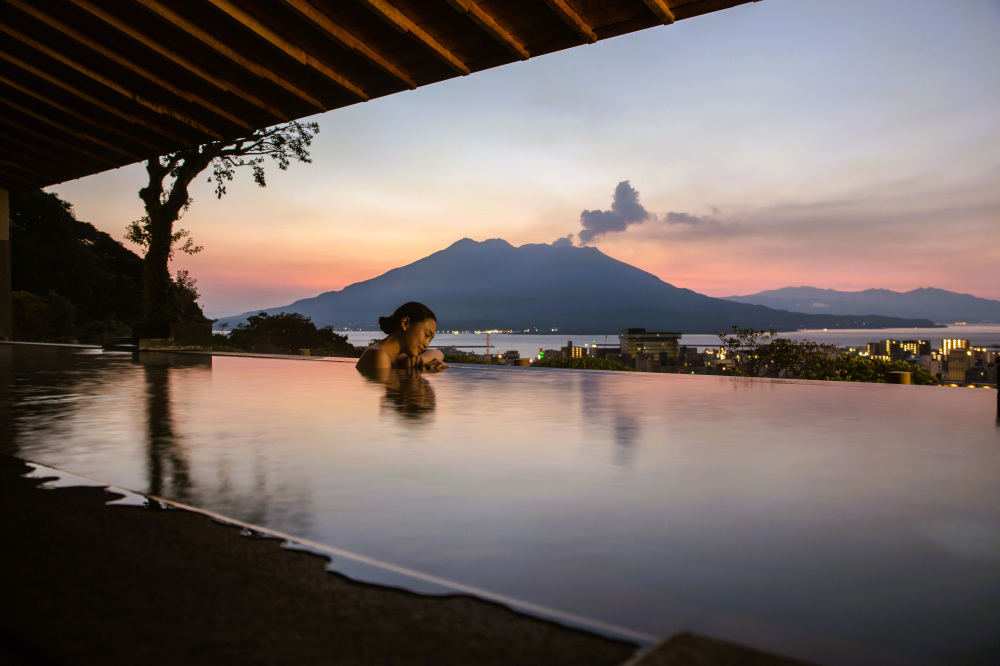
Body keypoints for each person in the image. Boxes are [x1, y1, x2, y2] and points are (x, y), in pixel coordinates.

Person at [355, 302, 448, 373]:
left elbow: (438, 353)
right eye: (426, 335)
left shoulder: (393, 355)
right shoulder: (379, 356)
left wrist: (421, 361)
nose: (427, 344)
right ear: (405, 324)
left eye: (430, 340)